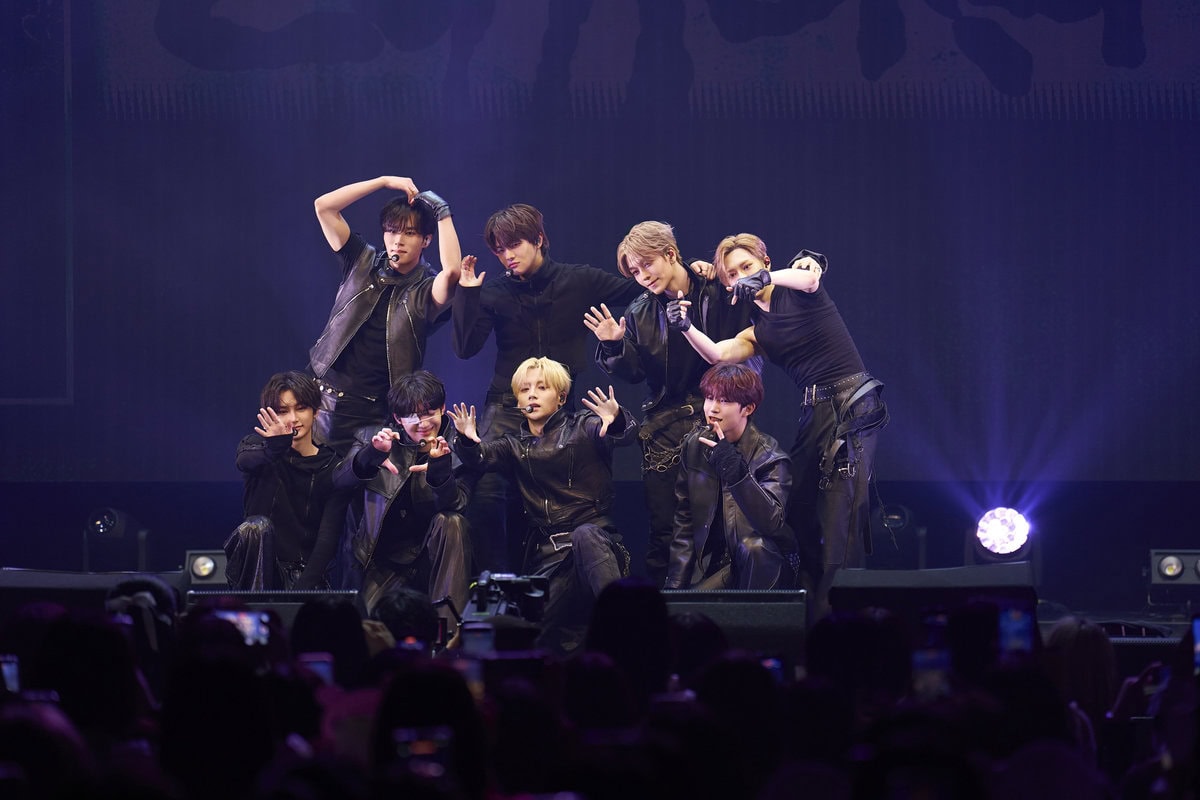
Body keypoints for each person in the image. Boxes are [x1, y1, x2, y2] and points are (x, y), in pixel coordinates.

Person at [668, 235, 887, 619]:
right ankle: (805, 615)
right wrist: (685, 326)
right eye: (732, 274)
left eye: (747, 267)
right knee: (798, 514)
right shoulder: (758, 332)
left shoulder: (798, 291)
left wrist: (768, 277)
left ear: (765, 262)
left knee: (840, 516)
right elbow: (718, 354)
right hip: (815, 412)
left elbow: (810, 277)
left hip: (852, 403)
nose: (741, 277)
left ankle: (843, 619)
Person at [450, 203, 643, 572]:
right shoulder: (494, 292)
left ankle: (555, 579)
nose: (507, 256)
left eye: (514, 245)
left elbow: (638, 287)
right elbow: (464, 347)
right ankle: (497, 586)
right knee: (488, 496)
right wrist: (468, 294)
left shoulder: (578, 280)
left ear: (538, 239)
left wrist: (690, 272)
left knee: (552, 501)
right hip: (505, 408)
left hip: (560, 413)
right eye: (499, 250)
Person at [586, 220, 759, 585]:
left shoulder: (714, 288)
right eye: (635, 271)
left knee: (724, 524)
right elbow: (634, 373)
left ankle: (727, 608)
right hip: (664, 430)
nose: (642, 276)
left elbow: (746, 338)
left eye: (646, 264)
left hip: (718, 415)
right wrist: (614, 345)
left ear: (670, 254)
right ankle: (664, 611)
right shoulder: (639, 311)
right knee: (665, 531)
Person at [448, 356, 638, 655]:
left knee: (585, 535)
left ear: (561, 397)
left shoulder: (583, 426)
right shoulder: (513, 444)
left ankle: (627, 635)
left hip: (594, 544)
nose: (532, 395)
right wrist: (468, 441)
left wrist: (616, 419)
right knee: (527, 633)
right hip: (550, 556)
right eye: (525, 390)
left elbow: (621, 434)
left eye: (541, 388)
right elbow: (481, 457)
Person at [309, 174, 464, 455]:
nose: (398, 241)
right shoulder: (362, 260)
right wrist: (382, 181)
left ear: (426, 240)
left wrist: (442, 211)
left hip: (374, 411)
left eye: (409, 233)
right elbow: (324, 206)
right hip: (321, 398)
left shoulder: (426, 288)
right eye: (391, 231)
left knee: (361, 478)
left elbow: (452, 272)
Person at [332, 370, 473, 633]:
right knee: (367, 632)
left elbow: (459, 505)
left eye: (428, 412)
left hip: (431, 559)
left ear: (442, 408)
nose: (422, 423)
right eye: (411, 415)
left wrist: (440, 470)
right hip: (384, 563)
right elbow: (339, 482)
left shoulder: (457, 448)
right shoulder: (374, 438)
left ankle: (448, 639)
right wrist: (371, 455)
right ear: (398, 417)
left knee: (451, 522)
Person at [664, 363, 795, 591]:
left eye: (724, 401)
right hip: (713, 568)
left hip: (760, 566)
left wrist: (736, 472)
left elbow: (771, 524)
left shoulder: (770, 457)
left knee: (755, 547)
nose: (713, 408)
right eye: (709, 398)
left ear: (748, 408)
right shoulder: (695, 446)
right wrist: (675, 587)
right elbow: (684, 520)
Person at [228, 371, 346, 590]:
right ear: (270, 414)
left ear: (316, 412)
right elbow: (244, 461)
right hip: (257, 572)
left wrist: (300, 592)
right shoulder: (258, 449)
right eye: (283, 411)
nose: (293, 419)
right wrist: (276, 446)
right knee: (256, 527)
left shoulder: (332, 465)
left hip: (305, 577)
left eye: (301, 408)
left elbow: (327, 540)